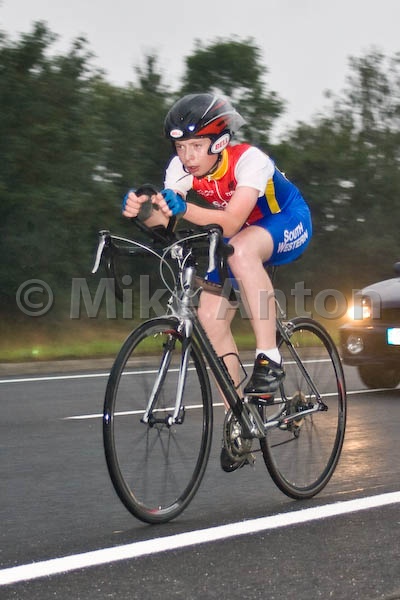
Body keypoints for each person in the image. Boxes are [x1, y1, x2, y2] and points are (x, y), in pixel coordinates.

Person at [122, 93, 312, 471]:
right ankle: (240, 416)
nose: (188, 156)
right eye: (181, 147)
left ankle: (269, 358)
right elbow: (167, 218)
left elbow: (231, 221)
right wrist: (143, 211)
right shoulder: (179, 168)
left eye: (196, 146)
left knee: (240, 251)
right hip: (235, 234)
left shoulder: (250, 160)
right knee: (209, 319)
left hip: (286, 221)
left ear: (220, 141)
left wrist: (184, 208)